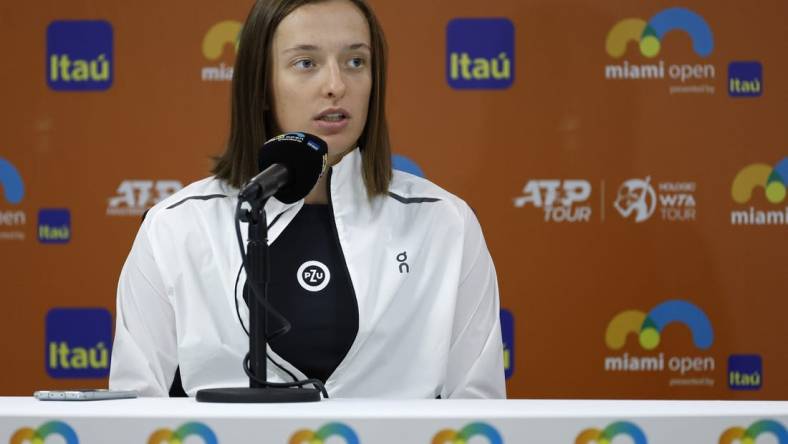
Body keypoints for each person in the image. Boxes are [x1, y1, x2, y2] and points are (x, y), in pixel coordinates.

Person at [109, 0, 505, 399]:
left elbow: (480, 416)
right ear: (261, 86)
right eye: (306, 63)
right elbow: (132, 416)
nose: (336, 84)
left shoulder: (445, 224)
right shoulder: (176, 227)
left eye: (355, 62)